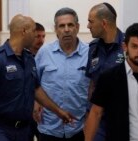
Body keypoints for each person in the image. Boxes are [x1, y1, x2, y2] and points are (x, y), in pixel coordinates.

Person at [0, 14, 75, 141]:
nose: (36, 35)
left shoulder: (29, 58)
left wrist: (59, 112)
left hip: (25, 130)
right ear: (24, 31)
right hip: (2, 130)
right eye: (34, 31)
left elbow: (36, 90)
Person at [34, 7, 90, 141]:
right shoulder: (44, 52)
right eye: (62, 26)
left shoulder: (90, 53)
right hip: (49, 128)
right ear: (55, 29)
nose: (66, 29)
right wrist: (35, 103)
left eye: (70, 25)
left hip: (79, 129)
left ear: (77, 27)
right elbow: (33, 83)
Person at [85, 2, 125, 141]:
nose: (88, 26)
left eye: (91, 21)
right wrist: (88, 114)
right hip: (98, 121)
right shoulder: (93, 47)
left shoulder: (128, 46)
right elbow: (92, 84)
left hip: (122, 120)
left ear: (103, 23)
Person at [28, 22, 46, 141]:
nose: (41, 40)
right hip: (25, 110)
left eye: (43, 36)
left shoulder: (47, 56)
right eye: (37, 36)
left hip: (43, 110)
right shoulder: (22, 57)